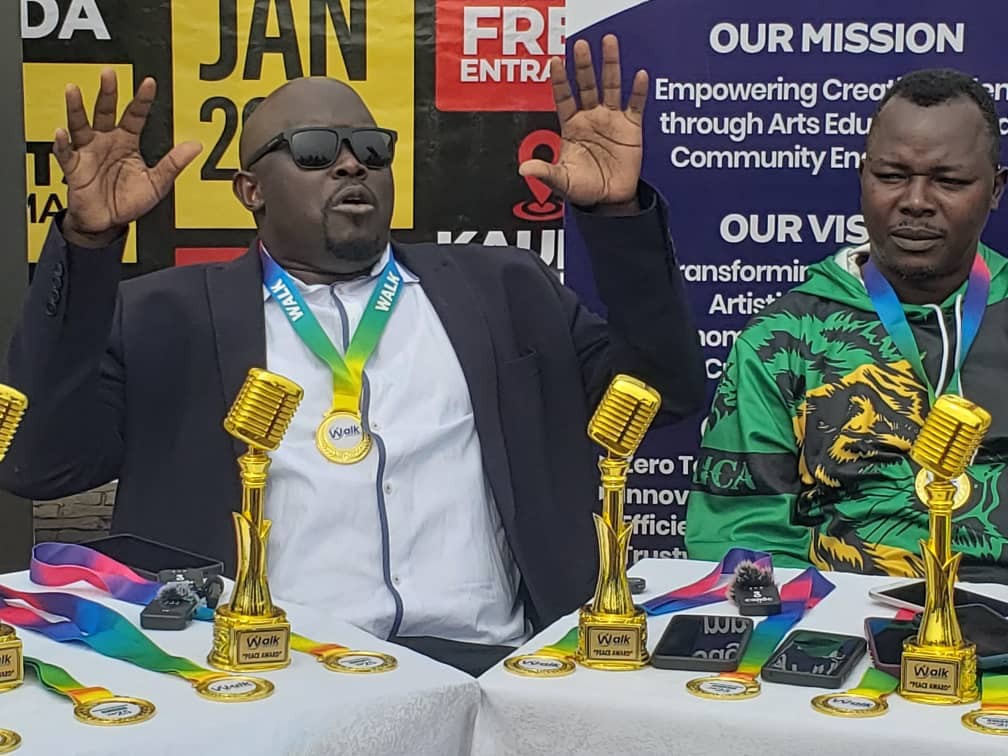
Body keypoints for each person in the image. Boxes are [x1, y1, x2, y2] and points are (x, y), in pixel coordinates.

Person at [0, 35, 704, 675]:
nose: (350, 163)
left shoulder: (507, 289)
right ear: (251, 190)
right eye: (313, 150)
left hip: (491, 669)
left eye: (371, 148)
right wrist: (88, 245)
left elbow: (665, 395)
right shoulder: (162, 316)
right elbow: (40, 462)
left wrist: (617, 218)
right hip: (266, 678)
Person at [686, 68, 1008, 584]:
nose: (916, 201)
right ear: (862, 177)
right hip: (844, 617)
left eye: (949, 181)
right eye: (892, 176)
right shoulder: (781, 340)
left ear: (995, 188)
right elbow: (741, 535)